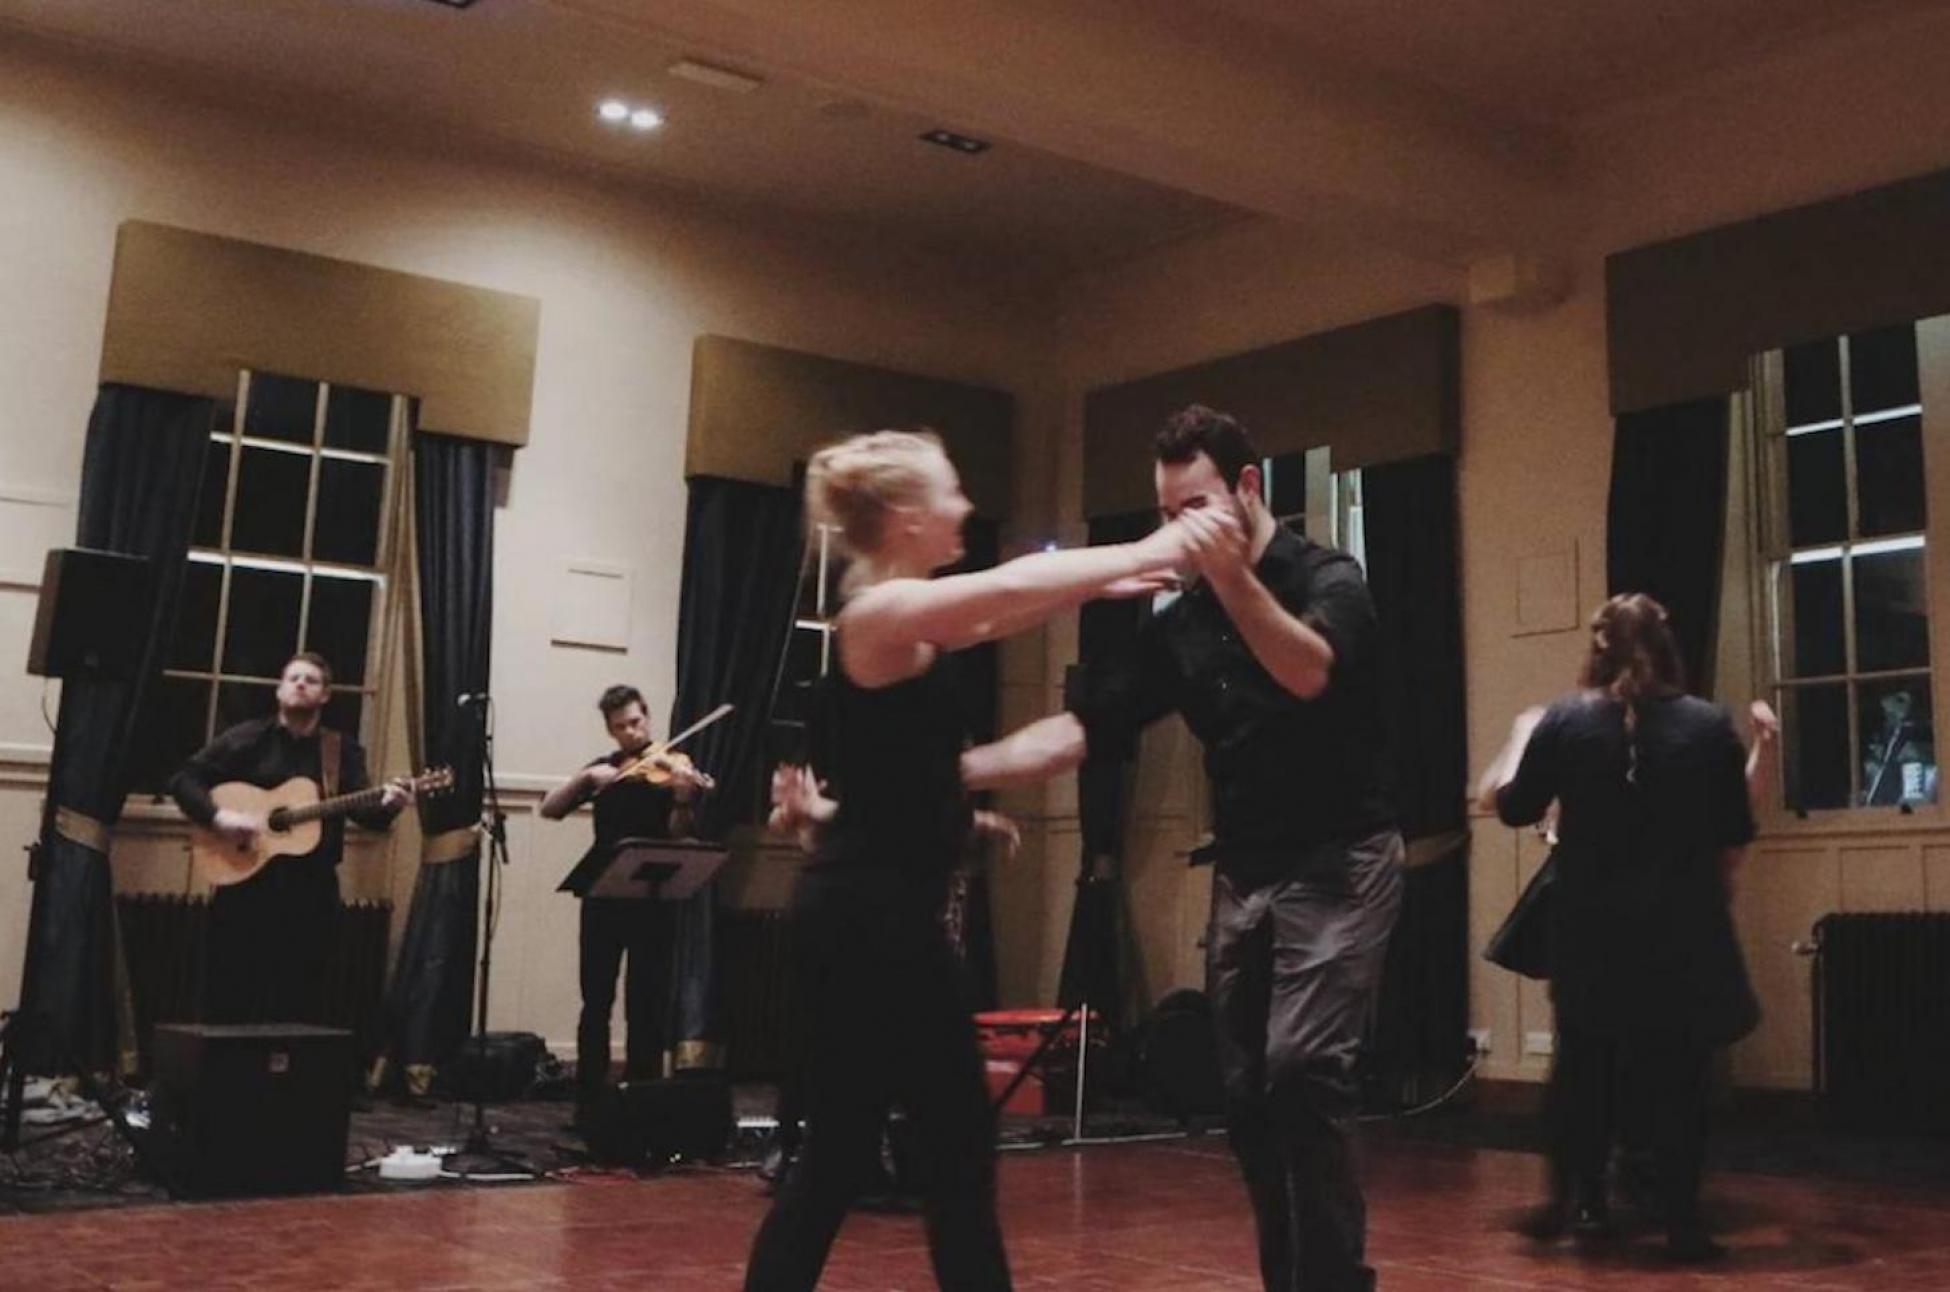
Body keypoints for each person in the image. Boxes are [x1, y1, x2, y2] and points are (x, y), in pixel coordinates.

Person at [958, 405, 1404, 1292]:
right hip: (1247, 867)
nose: (1177, 531)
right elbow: (1087, 728)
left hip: (1342, 861)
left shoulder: (1329, 576)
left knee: (1302, 1070)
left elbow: (1307, 670)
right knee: (1244, 1095)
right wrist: (960, 771)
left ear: (1247, 488)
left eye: (1193, 507)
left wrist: (1230, 577)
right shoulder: (1180, 623)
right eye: (1165, 515)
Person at [743, 427, 1199, 1292]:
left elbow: (994, 614)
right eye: (951, 491)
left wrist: (956, 818)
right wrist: (1147, 550)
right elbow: (1005, 592)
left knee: (844, 1156)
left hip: (862, 911)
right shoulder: (877, 613)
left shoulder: (903, 618)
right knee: (950, 1153)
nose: (964, 505)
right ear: (907, 517)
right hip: (876, 925)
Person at [1477, 594, 1760, 1263]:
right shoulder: (1708, 725)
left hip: (1589, 929)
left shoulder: (1567, 719)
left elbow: (1513, 808)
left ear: (1597, 650)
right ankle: (1682, 1221)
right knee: (1680, 1079)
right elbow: (1734, 829)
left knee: (1582, 1070)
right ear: (1666, 647)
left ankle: (1575, 1202)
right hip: (1682, 929)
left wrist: (1524, 736)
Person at [171, 651, 413, 1026]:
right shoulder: (247, 739)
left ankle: (290, 1064)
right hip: (247, 883)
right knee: (233, 989)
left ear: (325, 695)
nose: (301, 684)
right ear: (279, 690)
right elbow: (185, 779)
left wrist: (391, 804)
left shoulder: (339, 750)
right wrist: (219, 817)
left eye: (311, 680)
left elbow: (366, 814)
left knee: (303, 993)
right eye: (293, 678)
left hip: (311, 889)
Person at [539, 684, 712, 1125]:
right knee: (595, 1000)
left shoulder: (674, 767)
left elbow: (680, 833)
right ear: (610, 731)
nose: (631, 733)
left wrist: (681, 797)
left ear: (647, 718)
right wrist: (585, 780)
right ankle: (589, 1101)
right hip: (603, 896)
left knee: (646, 1001)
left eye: (636, 723)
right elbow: (550, 809)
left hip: (654, 899)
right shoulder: (605, 769)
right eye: (620, 727)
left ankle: (640, 1100)